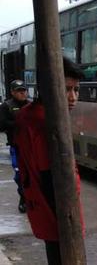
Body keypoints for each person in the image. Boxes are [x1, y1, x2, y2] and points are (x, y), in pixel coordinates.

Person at [15, 58, 84, 265]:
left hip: (41, 211)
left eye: (76, 90)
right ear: (48, 87)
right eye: (66, 89)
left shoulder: (27, 114)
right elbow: (53, 180)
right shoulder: (47, 125)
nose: (72, 98)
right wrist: (70, 220)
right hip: (58, 217)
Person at [0, 80, 30, 213]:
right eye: (19, 91)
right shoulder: (6, 106)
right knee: (19, 175)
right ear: (12, 92)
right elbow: (2, 124)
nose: (22, 93)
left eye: (24, 90)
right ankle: (23, 198)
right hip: (16, 147)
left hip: (31, 147)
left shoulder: (31, 105)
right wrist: (18, 124)